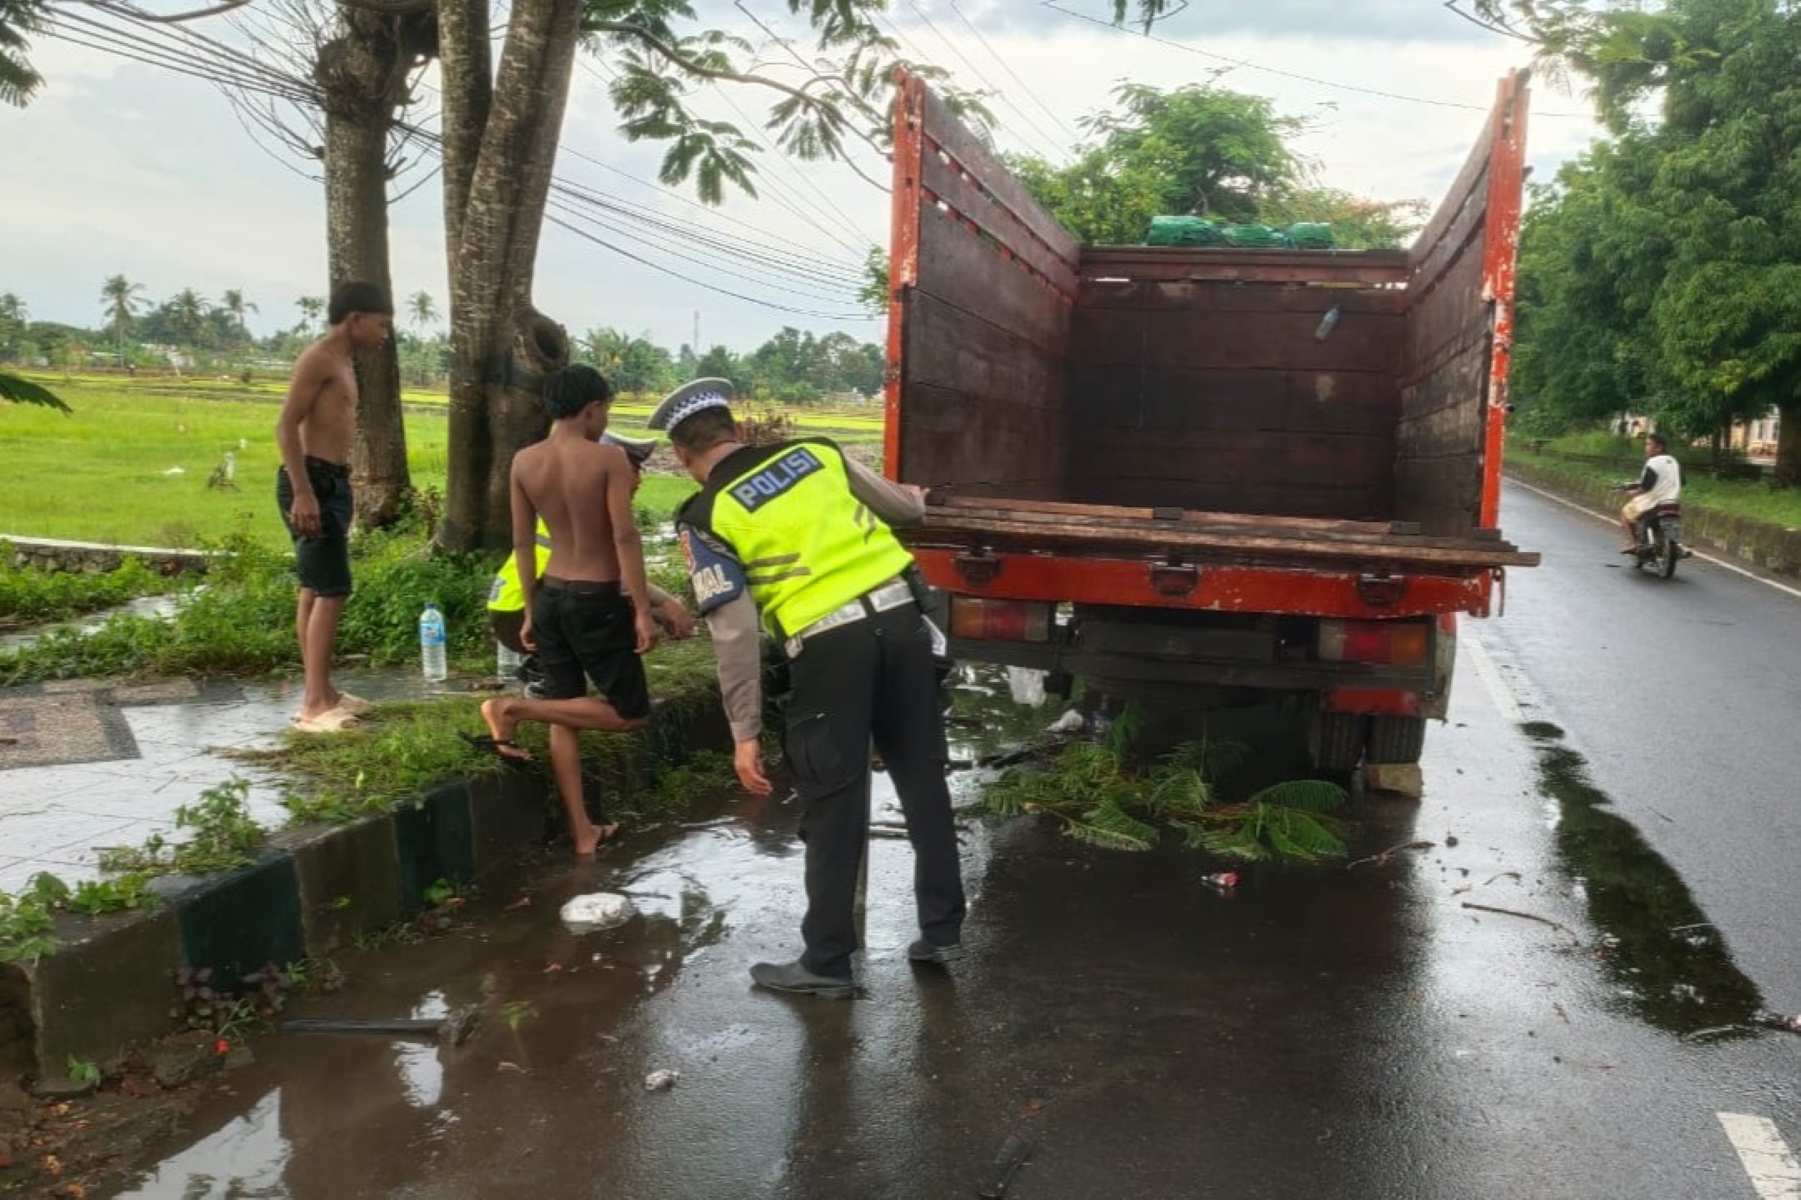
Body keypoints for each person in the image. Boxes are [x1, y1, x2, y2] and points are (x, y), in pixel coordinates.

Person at [649, 377, 966, 998]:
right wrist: (917, 497)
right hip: (905, 625)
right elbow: (907, 511)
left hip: (830, 649)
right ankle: (941, 928)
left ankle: (826, 962)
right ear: (735, 429)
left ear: (685, 458)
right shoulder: (816, 453)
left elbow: (734, 632)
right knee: (921, 776)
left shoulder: (706, 514)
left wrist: (744, 732)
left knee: (834, 799)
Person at [476, 365, 659, 856]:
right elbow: (624, 536)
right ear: (592, 408)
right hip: (595, 599)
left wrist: (533, 610)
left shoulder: (524, 461)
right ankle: (512, 708)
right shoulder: (608, 460)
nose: (605, 420)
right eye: (606, 411)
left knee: (568, 713)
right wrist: (642, 609)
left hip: (552, 592)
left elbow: (521, 542)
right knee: (631, 713)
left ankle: (583, 832)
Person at [487, 430, 694, 692]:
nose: (639, 480)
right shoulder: (595, 512)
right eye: (632, 469)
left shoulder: (569, 506)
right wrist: (665, 605)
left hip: (511, 609)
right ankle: (618, 694)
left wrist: (658, 607)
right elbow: (610, 578)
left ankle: (549, 673)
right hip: (526, 613)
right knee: (610, 609)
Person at [274, 280, 392, 734]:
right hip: (311, 482)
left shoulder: (342, 362)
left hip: (331, 482)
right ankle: (313, 705)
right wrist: (304, 491)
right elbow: (285, 427)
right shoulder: (319, 359)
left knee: (313, 588)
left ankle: (322, 690)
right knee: (332, 590)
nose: (384, 335)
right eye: (380, 325)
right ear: (355, 319)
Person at [1619, 432, 1682, 553]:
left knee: (1625, 514)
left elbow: (1645, 487)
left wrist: (1633, 492)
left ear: (1659, 447)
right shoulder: (1673, 461)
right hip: (1672, 501)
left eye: (1648, 444)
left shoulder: (1653, 462)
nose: (1646, 447)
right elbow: (1681, 481)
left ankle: (1634, 544)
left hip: (1653, 502)